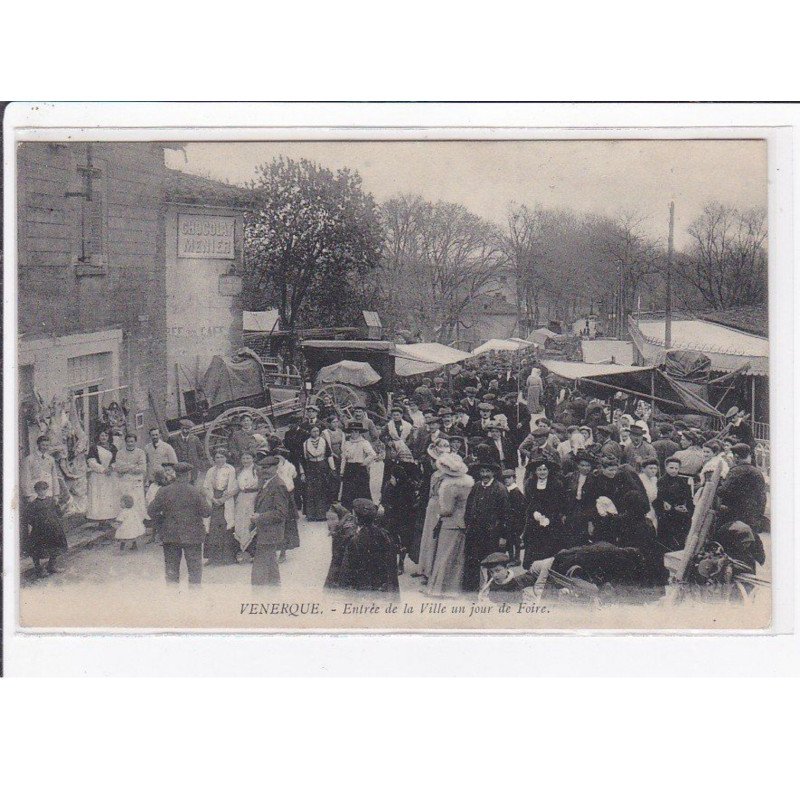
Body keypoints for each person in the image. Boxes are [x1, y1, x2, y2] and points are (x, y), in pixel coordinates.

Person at [147, 462, 211, 585]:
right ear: (188, 475)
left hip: (170, 535)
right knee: (194, 571)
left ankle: (172, 599)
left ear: (175, 474)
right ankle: (195, 599)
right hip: (193, 536)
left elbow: (151, 511)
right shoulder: (195, 491)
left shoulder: (164, 491)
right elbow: (207, 512)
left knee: (171, 571)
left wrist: (162, 523)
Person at [425, 453, 475, 596]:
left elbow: (447, 509)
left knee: (444, 555)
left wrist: (438, 513)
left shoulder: (449, 486)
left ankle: (440, 589)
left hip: (450, 523)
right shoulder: (468, 483)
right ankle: (455, 588)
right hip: (462, 522)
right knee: (458, 557)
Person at [462, 462, 509, 591]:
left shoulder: (500, 489)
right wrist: (468, 526)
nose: (484, 475)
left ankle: (492, 589)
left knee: (491, 563)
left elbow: (505, 515)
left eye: (487, 471)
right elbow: (468, 508)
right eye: (482, 471)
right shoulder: (476, 487)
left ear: (493, 473)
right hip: (475, 533)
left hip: (492, 534)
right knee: (473, 562)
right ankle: (472, 589)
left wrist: (503, 536)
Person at [337, 499, 400, 595]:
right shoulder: (385, 535)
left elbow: (345, 573)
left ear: (357, 519)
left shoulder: (354, 540)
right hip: (381, 589)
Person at [250, 455, 293, 586]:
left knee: (260, 568)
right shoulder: (266, 483)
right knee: (271, 565)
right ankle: (274, 591)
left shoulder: (278, 485)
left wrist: (260, 517)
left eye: (267, 468)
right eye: (262, 468)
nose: (264, 471)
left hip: (271, 532)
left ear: (276, 468)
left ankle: (257, 596)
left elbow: (281, 513)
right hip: (266, 531)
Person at [522, 458, 565, 567]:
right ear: (535, 471)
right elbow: (528, 502)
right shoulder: (530, 483)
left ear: (549, 470)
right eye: (539, 470)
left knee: (550, 545)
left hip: (551, 519)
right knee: (534, 544)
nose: (542, 472)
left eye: (544, 469)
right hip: (534, 519)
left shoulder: (556, 483)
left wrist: (548, 517)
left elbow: (559, 503)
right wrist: (533, 513)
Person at [717, 443, 767, 531]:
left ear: (736, 457)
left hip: (737, 514)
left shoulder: (736, 471)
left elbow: (723, 491)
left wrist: (718, 486)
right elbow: (762, 496)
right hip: (754, 514)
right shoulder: (757, 472)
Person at [381, 459, 419, 574]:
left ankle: (401, 563)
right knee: (390, 538)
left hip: (404, 518)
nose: (391, 479)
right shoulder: (388, 486)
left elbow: (412, 505)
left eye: (393, 477)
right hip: (391, 516)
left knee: (403, 540)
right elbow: (384, 500)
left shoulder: (408, 487)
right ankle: (390, 562)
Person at [203, 447, 238, 565]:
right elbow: (205, 487)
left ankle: (227, 557)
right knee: (213, 526)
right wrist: (213, 499)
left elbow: (233, 487)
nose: (219, 459)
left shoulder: (230, 469)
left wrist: (223, 499)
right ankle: (212, 557)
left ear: (226, 458)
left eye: (222, 457)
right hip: (214, 499)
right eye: (217, 457)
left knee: (226, 525)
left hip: (225, 500)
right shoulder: (210, 471)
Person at [25, 480, 68, 578]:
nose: (42, 492)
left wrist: (64, 507)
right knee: (36, 549)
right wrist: (38, 525)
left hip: (53, 529)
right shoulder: (33, 504)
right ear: (36, 491)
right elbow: (29, 518)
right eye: (40, 490)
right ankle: (38, 569)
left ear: (47, 490)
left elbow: (59, 513)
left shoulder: (52, 500)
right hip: (40, 531)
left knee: (56, 546)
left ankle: (51, 566)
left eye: (44, 489)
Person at [654, 457, 694, 550]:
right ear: (666, 468)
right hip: (666, 515)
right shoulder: (660, 482)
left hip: (681, 515)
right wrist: (673, 509)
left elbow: (688, 498)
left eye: (676, 468)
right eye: (671, 468)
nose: (674, 471)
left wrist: (687, 508)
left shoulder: (682, 481)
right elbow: (659, 500)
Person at [86, 429, 119, 528]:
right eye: (102, 436)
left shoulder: (113, 448)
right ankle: (101, 521)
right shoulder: (94, 448)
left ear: (108, 437)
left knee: (109, 497)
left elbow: (117, 460)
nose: (103, 438)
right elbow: (91, 461)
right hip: (98, 476)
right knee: (99, 497)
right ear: (98, 437)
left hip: (110, 476)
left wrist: (111, 468)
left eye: (105, 436)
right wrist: (102, 470)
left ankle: (109, 519)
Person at [303, 425, 336, 521]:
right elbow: (303, 459)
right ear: (310, 432)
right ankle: (311, 515)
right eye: (313, 431)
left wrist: (332, 468)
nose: (316, 433)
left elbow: (329, 455)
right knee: (311, 491)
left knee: (321, 490)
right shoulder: (305, 443)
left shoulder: (323, 441)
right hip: (311, 467)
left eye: (317, 431)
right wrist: (303, 473)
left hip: (322, 467)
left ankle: (321, 515)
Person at [339, 423, 377, 507]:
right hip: (349, 468)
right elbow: (344, 458)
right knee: (348, 490)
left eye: (356, 431)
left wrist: (364, 462)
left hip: (359, 468)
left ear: (359, 433)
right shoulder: (347, 443)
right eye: (352, 432)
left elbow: (372, 454)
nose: (354, 434)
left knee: (361, 490)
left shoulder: (364, 442)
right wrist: (342, 471)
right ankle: (349, 510)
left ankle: (363, 510)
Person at [112, 432, 147, 523]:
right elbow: (118, 467)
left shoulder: (140, 452)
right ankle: (125, 519)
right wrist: (133, 466)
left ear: (135, 442)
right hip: (124, 480)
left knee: (137, 499)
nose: (130, 443)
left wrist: (126, 467)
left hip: (136, 480)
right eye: (128, 441)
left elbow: (142, 468)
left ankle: (138, 519)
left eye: (132, 441)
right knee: (125, 498)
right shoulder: (120, 453)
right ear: (125, 442)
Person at [274, 446, 301, 560]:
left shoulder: (290, 466)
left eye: (280, 457)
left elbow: (294, 476)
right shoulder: (273, 466)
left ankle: (283, 551)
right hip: (275, 495)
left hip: (287, 494)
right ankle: (274, 550)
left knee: (287, 523)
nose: (278, 460)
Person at [563, 451, 594, 548]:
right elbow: (564, 497)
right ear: (578, 465)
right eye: (583, 465)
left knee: (583, 537)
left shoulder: (594, 479)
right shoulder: (570, 477)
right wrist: (564, 513)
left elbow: (593, 502)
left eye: (588, 465)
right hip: (572, 509)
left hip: (586, 510)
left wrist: (591, 521)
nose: (585, 468)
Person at [324, 502, 358, 589]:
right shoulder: (337, 529)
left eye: (333, 519)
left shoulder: (348, 530)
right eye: (328, 519)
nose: (329, 522)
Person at [233, 451, 259, 562]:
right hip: (242, 498)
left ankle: (254, 552)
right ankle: (243, 550)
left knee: (251, 523)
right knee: (241, 523)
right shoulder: (238, 471)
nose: (246, 461)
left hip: (253, 498)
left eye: (248, 458)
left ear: (253, 459)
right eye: (244, 458)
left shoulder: (257, 470)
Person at [21, 434, 61, 502]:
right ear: (38, 445)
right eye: (43, 445)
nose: (45, 447)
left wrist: (56, 494)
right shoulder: (29, 459)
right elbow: (26, 477)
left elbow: (54, 477)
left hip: (48, 493)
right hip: (34, 494)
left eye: (47, 445)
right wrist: (28, 494)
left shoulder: (51, 459)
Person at [169, 418, 207, 483]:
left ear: (190, 429)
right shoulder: (174, 439)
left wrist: (198, 465)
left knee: (192, 484)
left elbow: (201, 453)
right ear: (181, 428)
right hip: (180, 467)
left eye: (187, 429)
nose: (185, 431)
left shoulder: (195, 439)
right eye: (183, 429)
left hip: (192, 467)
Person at [502, 468, 525, 565]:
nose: (507, 480)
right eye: (505, 478)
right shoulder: (508, 490)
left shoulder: (515, 491)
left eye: (509, 478)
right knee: (510, 539)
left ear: (514, 478)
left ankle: (516, 559)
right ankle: (511, 558)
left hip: (516, 520)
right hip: (510, 520)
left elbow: (519, 508)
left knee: (515, 540)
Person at [637, 458, 660, 528]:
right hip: (642, 507)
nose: (653, 470)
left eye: (655, 468)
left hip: (652, 506)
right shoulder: (639, 479)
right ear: (643, 469)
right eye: (650, 468)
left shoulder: (655, 479)